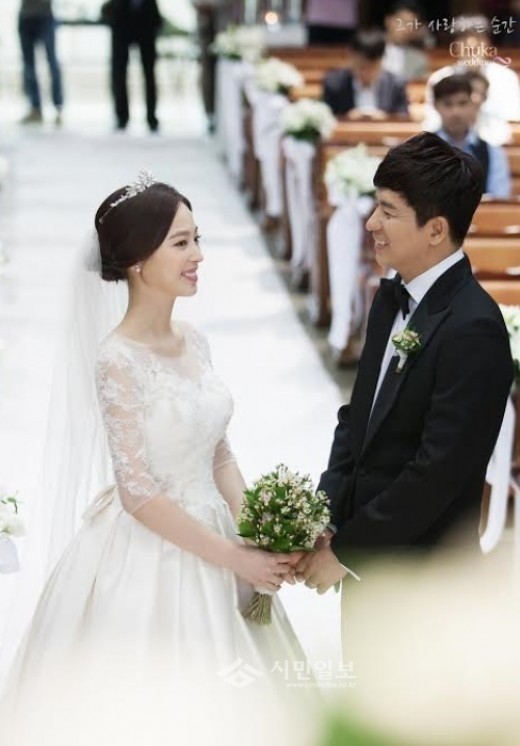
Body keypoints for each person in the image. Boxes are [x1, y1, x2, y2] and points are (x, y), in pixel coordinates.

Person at [0, 175, 308, 738]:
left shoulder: (195, 340)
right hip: (149, 549)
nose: (199, 256)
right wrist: (231, 558)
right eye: (181, 243)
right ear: (139, 261)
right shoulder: (117, 359)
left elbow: (218, 452)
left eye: (197, 239)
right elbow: (138, 492)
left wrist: (256, 528)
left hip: (219, 530)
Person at [294, 132, 512, 612]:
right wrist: (324, 516)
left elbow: (437, 472)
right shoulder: (390, 298)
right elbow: (357, 420)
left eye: (388, 212)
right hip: (367, 566)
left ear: (436, 230)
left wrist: (347, 553)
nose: (371, 222)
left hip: (426, 584)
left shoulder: (474, 328)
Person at [422, 15, 520, 145]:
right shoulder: (439, 78)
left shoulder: (506, 77)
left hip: (496, 144)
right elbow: (431, 122)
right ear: (455, 46)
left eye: (478, 38)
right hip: (449, 148)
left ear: (488, 44)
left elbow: (514, 120)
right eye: (463, 39)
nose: (471, 44)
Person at [433, 74, 512, 199]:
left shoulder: (492, 153)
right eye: (448, 104)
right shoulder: (420, 150)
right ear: (436, 106)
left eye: (462, 103)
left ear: (472, 104)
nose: (456, 112)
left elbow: (498, 201)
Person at [323, 29, 409, 118]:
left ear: (382, 61)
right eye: (361, 67)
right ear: (351, 57)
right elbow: (326, 118)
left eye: (373, 67)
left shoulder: (396, 84)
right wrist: (346, 118)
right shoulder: (334, 84)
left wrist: (385, 119)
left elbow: (403, 118)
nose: (366, 73)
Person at [104, 0, 161, 131]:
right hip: (121, 18)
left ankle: (151, 117)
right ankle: (121, 117)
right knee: (119, 73)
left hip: (146, 19)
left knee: (150, 74)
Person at [18, 0, 64, 125]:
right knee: (29, 67)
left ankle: (58, 107)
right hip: (26, 16)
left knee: (52, 63)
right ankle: (35, 108)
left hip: (45, 16)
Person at [382, 0, 431, 81]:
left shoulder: (418, 60)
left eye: (411, 24)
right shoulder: (369, 49)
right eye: (401, 22)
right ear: (388, 21)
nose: (405, 29)